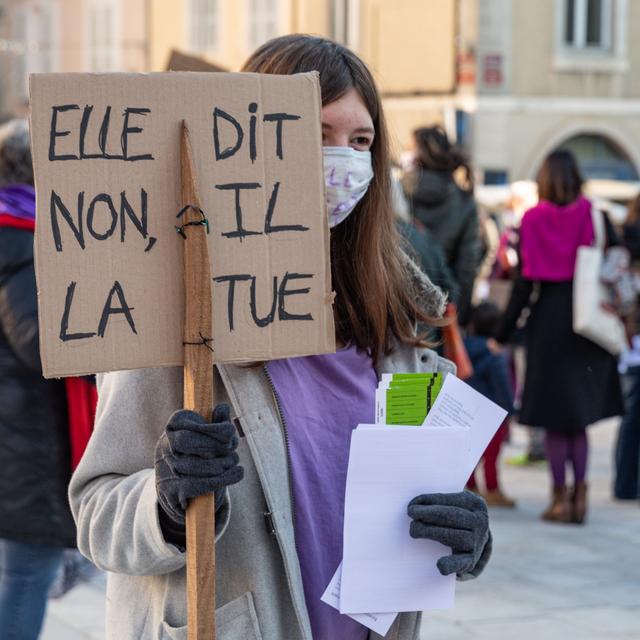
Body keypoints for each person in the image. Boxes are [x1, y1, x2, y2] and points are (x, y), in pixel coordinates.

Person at [69, 35, 493, 640]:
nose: (341, 159)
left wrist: (463, 536)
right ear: (251, 139)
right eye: (316, 134)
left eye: (360, 141)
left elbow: (414, 510)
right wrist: (164, 503)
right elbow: (95, 511)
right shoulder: (176, 315)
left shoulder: (394, 334)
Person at [495, 150, 623, 525]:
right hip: (589, 323)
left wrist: (501, 333)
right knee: (578, 419)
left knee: (553, 418)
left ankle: (558, 499)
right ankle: (580, 496)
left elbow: (523, 285)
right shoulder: (595, 215)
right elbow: (620, 257)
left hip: (548, 322)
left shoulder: (531, 220)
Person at [0, 120, 77, 639]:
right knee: (28, 575)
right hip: (28, 446)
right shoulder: (21, 238)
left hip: (20, 439)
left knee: (23, 573)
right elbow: (37, 343)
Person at [401, 125, 481, 326]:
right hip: (442, 309)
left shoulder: (398, 192)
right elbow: (467, 269)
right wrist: (458, 320)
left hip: (398, 306)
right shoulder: (465, 203)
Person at [464, 303, 516, 507]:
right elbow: (502, 384)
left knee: (470, 453)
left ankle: (471, 485)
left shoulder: (462, 348)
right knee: (491, 456)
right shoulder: (495, 354)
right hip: (493, 413)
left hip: (469, 410)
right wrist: (509, 411)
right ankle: (492, 489)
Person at [614, 193, 640, 500]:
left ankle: (625, 484)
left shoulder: (622, 241)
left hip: (630, 339)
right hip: (633, 336)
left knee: (631, 415)